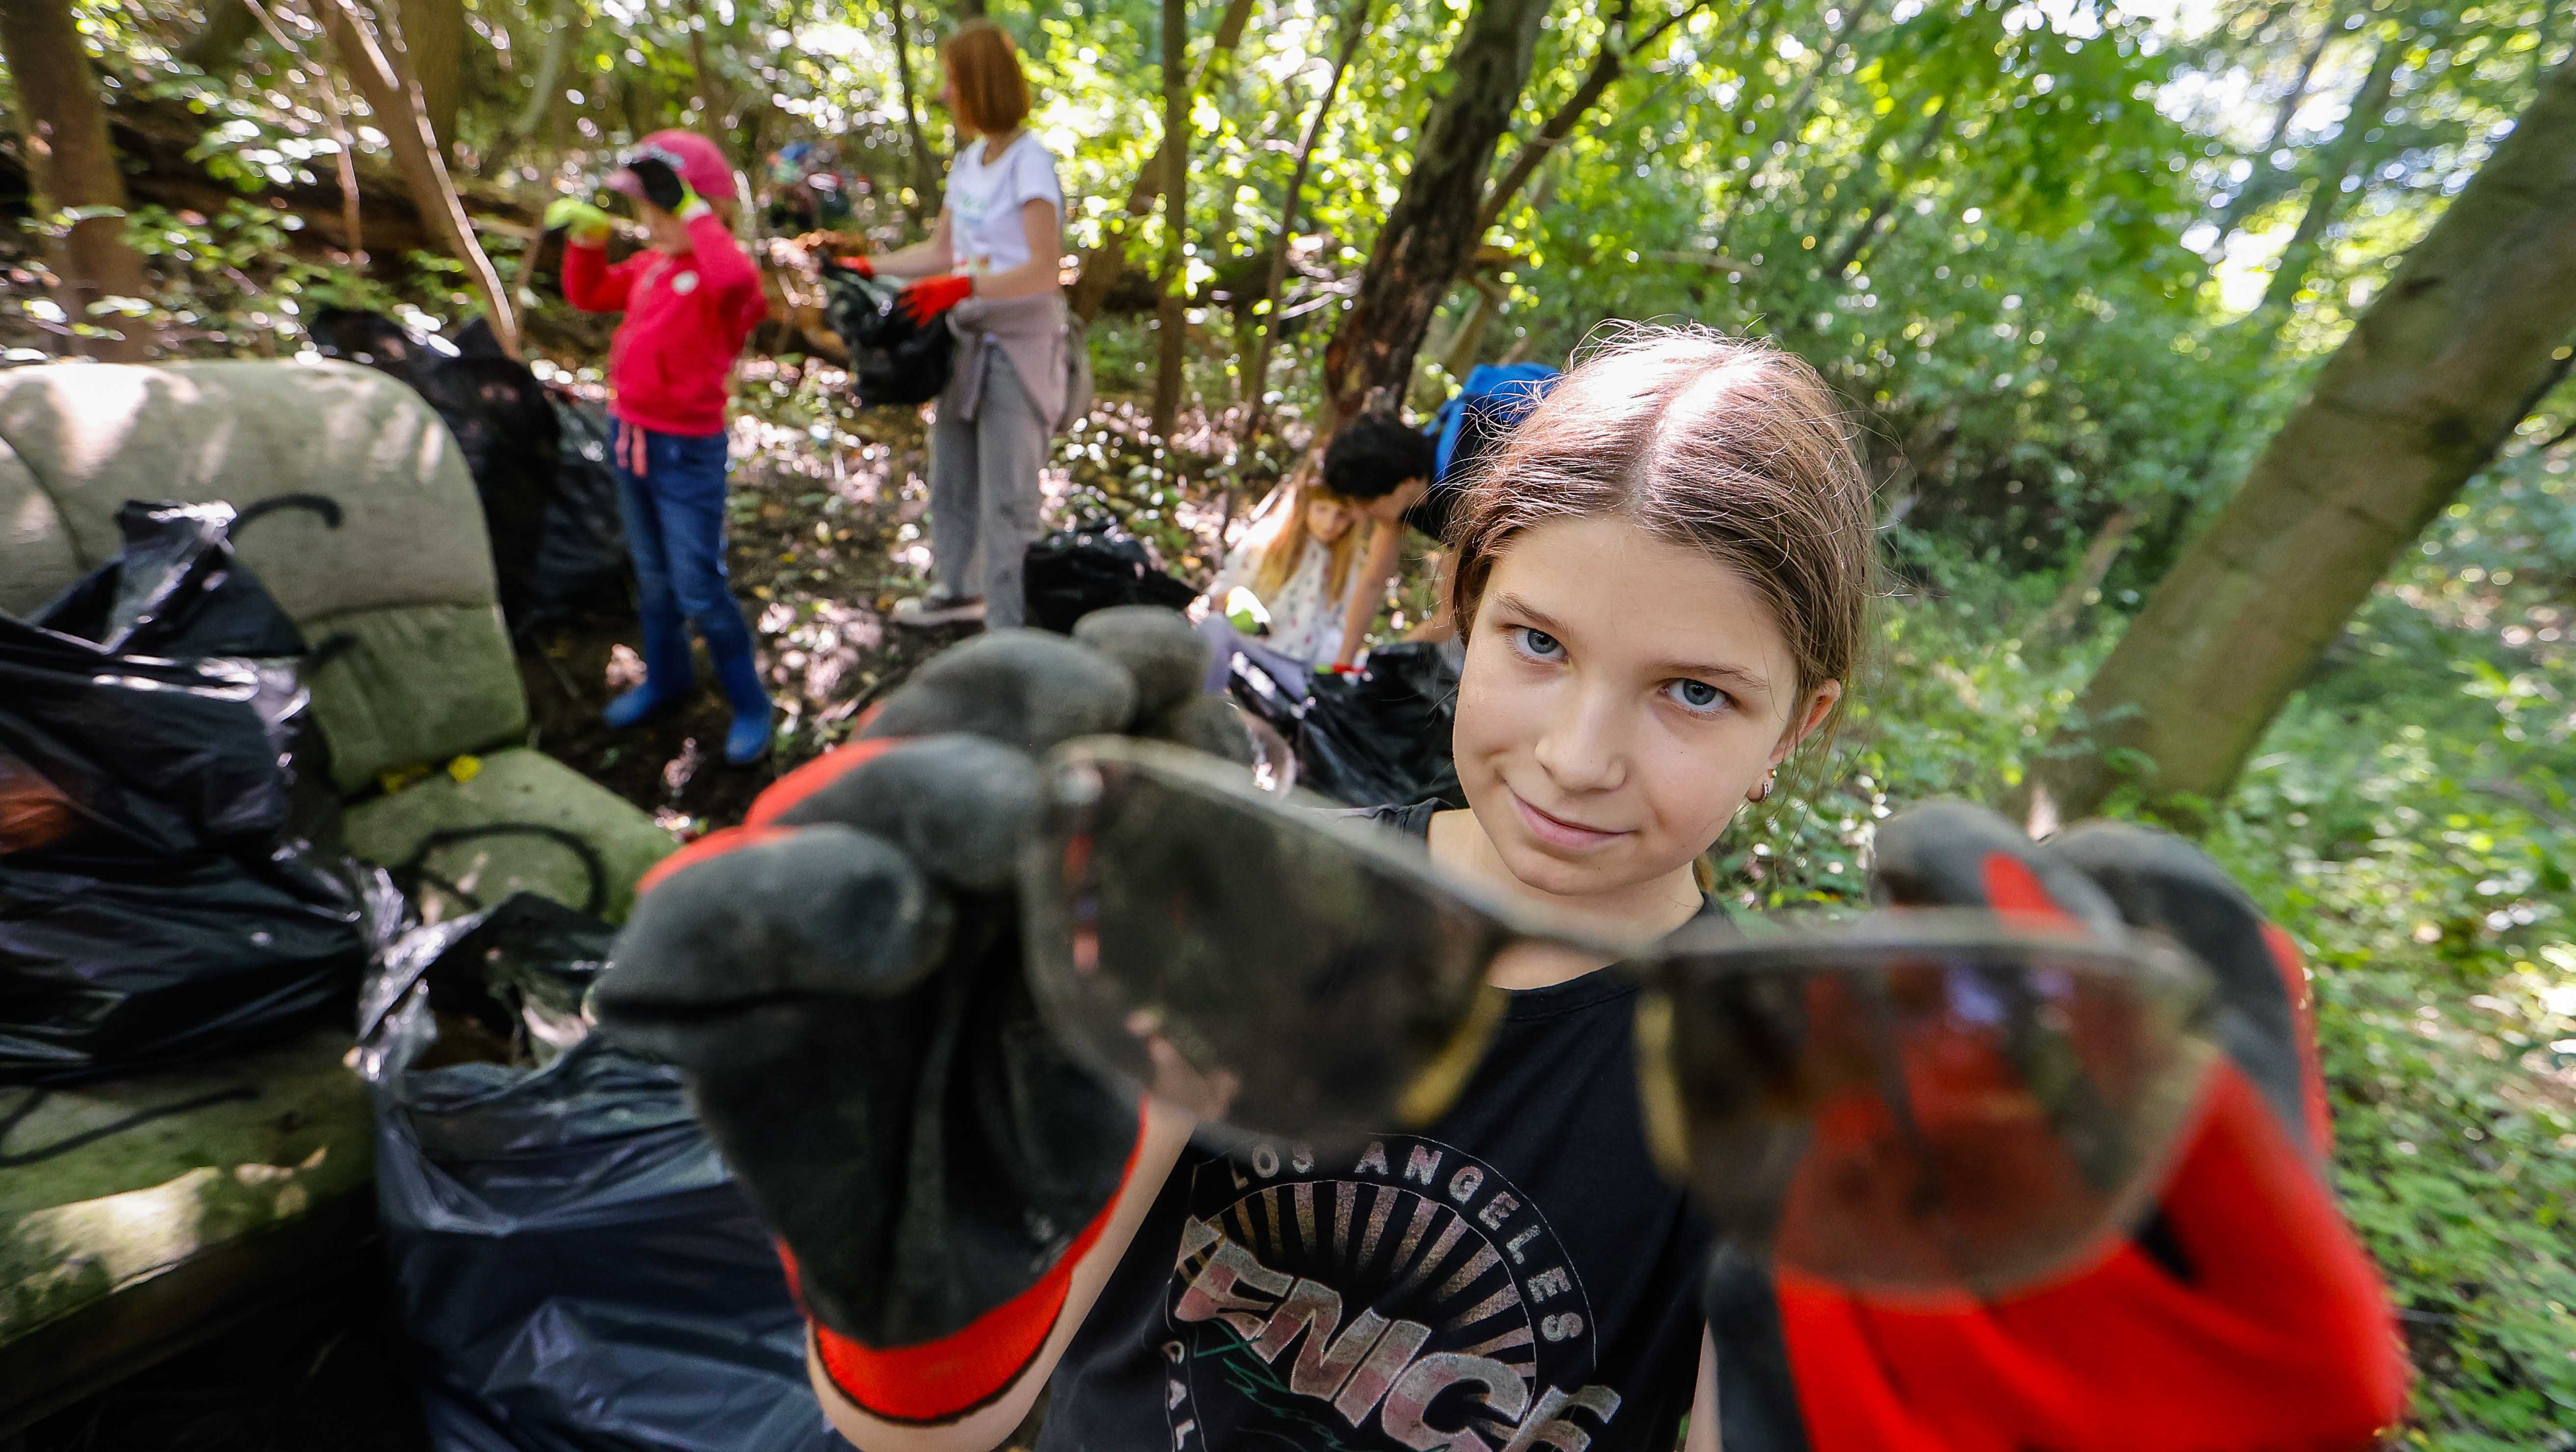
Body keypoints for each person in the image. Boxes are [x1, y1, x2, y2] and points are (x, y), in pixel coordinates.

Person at [598, 327, 2404, 1452]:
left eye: (1692, 691)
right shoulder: (1251, 911)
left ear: (1799, 723)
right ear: (1458, 611)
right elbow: (944, 1417)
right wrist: (912, 1302)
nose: (1579, 755)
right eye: (1536, 643)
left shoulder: (1789, 1102)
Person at [817, 19, 1070, 631]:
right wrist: (867, 266)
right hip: (963, 340)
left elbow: (1044, 269)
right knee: (953, 476)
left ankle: (1009, 634)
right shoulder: (970, 162)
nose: (944, 93)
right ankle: (958, 590)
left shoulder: (1030, 163)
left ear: (982, 84)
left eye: (953, 80)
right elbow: (941, 251)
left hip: (1019, 347)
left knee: (1009, 498)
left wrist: (963, 286)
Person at [545, 131, 775, 764]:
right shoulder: (651, 267)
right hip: (630, 439)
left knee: (698, 586)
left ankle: (750, 702)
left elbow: (739, 283)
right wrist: (587, 242)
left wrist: (694, 212)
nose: (650, 221)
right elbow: (589, 294)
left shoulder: (723, 280)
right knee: (652, 580)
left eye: (663, 208)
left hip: (686, 455)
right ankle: (667, 678)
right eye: (644, 208)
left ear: (710, 211)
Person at [1322, 362, 1560, 669]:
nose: (1358, 515)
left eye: (1365, 504)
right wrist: (1343, 664)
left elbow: (1449, 618)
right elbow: (1373, 580)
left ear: (1405, 486)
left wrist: (1374, 669)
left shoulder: (1468, 491)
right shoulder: (1406, 475)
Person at [1195, 479, 1369, 694]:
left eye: (1341, 515)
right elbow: (1227, 585)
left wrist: (1331, 658)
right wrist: (1232, 601)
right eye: (1322, 509)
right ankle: (1203, 700)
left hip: (1298, 665)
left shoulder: (1349, 566)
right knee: (1214, 627)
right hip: (1251, 644)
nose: (1330, 523)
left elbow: (1344, 626)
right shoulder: (1269, 537)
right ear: (1306, 505)